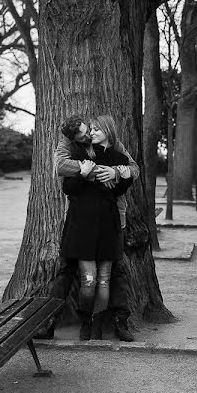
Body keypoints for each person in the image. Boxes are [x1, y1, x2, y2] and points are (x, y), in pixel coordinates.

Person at [36, 113, 139, 341]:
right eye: (85, 133)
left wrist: (116, 172)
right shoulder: (71, 146)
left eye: (91, 131)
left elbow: (132, 170)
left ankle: (118, 321)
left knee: (114, 273)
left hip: (110, 221)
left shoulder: (116, 149)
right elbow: (62, 169)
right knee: (68, 272)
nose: (89, 135)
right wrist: (86, 172)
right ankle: (49, 322)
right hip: (80, 223)